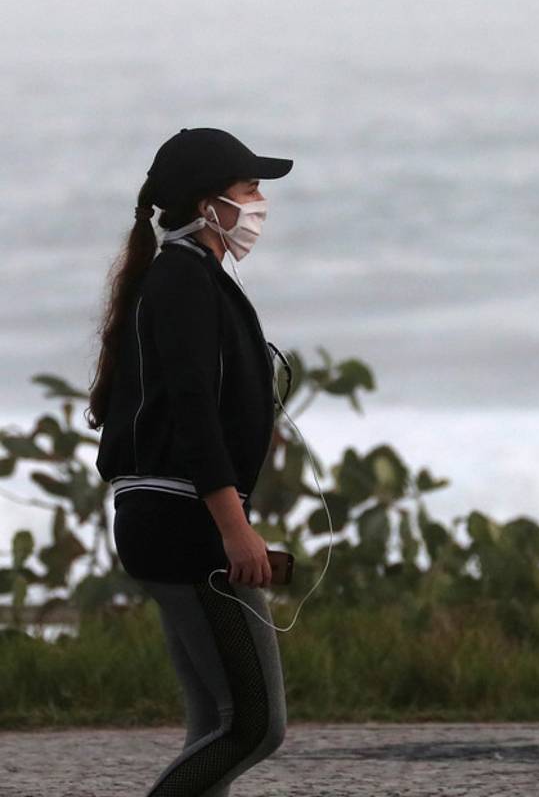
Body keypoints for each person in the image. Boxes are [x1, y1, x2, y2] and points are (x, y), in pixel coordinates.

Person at [90, 127, 292, 795]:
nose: (260, 202)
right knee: (255, 726)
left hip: (167, 517)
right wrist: (234, 527)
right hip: (184, 523)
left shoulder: (187, 275)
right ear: (209, 205)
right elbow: (194, 413)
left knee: (215, 720)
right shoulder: (182, 280)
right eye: (250, 189)